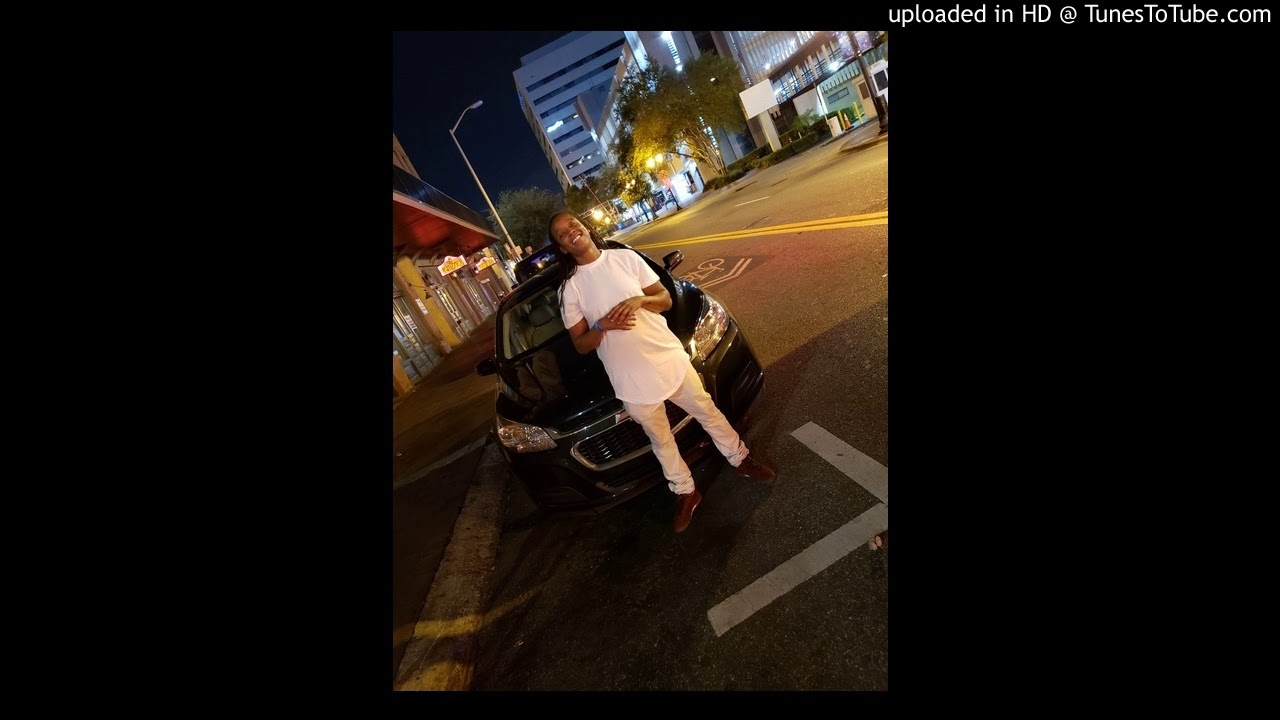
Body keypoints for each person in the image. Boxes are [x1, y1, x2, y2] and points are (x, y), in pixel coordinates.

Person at [546, 211, 775, 532]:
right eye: (562, 234)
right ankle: (686, 491)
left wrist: (639, 301)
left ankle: (740, 459)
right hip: (630, 380)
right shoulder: (570, 290)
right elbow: (581, 344)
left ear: (584, 226)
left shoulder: (624, 258)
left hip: (667, 358)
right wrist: (601, 325)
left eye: (573, 224)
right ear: (562, 248)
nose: (571, 232)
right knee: (661, 440)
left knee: (707, 412)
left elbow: (665, 299)